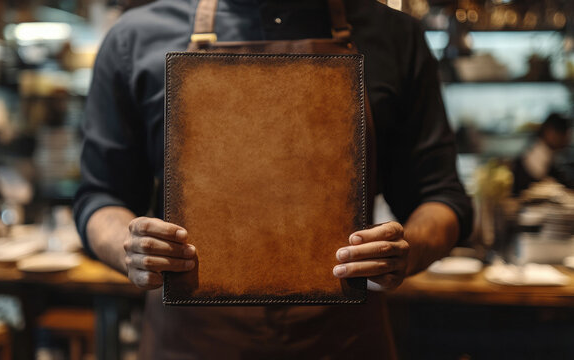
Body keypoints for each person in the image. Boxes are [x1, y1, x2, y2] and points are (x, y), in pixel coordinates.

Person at [73, 0, 473, 358]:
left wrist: (406, 252)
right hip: (193, 342)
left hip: (342, 341)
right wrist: (130, 246)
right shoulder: (134, 38)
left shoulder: (395, 35)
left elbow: (441, 196)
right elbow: (99, 196)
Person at [511, 113, 573, 195]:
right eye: (564, 134)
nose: (567, 140)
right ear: (550, 132)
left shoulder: (543, 151)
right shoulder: (534, 154)